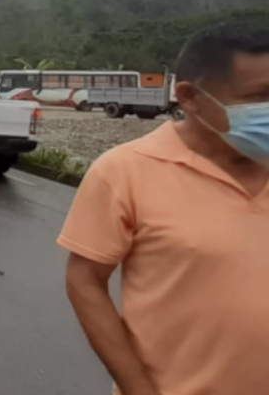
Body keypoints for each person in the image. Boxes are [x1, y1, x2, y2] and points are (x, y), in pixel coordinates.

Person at [60, 25, 269, 395]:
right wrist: (137, 387)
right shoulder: (124, 171)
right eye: (261, 97)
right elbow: (85, 281)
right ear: (189, 97)